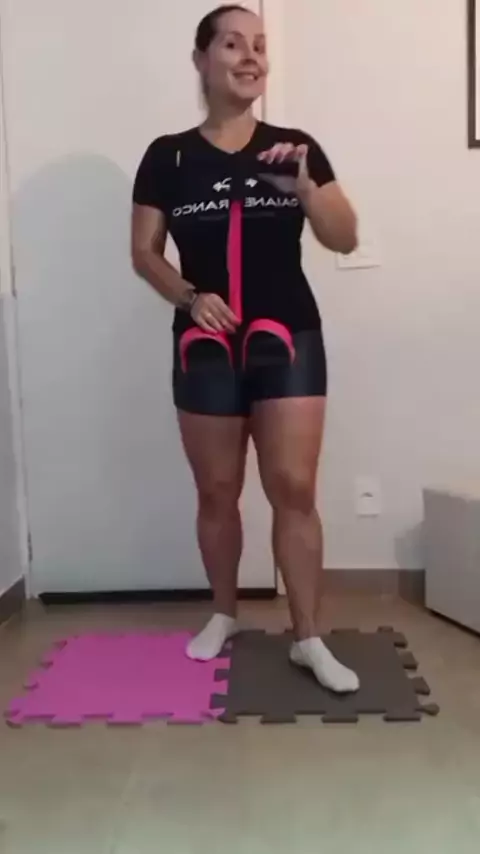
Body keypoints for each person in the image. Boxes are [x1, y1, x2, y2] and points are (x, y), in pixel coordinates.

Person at [131, 4, 359, 693]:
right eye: (232, 44)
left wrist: (308, 191)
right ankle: (224, 614)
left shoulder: (294, 148)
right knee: (217, 490)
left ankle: (309, 637)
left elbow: (344, 236)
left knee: (294, 488)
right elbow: (145, 253)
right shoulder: (168, 156)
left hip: (289, 336)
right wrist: (188, 296)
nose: (251, 56)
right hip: (204, 342)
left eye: (259, 44)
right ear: (201, 60)